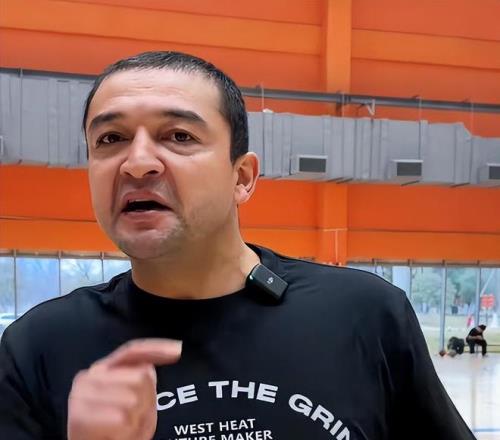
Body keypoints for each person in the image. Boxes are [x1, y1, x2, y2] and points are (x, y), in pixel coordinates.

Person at [0, 51, 476, 440]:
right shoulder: (39, 347)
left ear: (242, 177)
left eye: (179, 135)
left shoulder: (365, 315)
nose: (137, 162)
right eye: (110, 138)